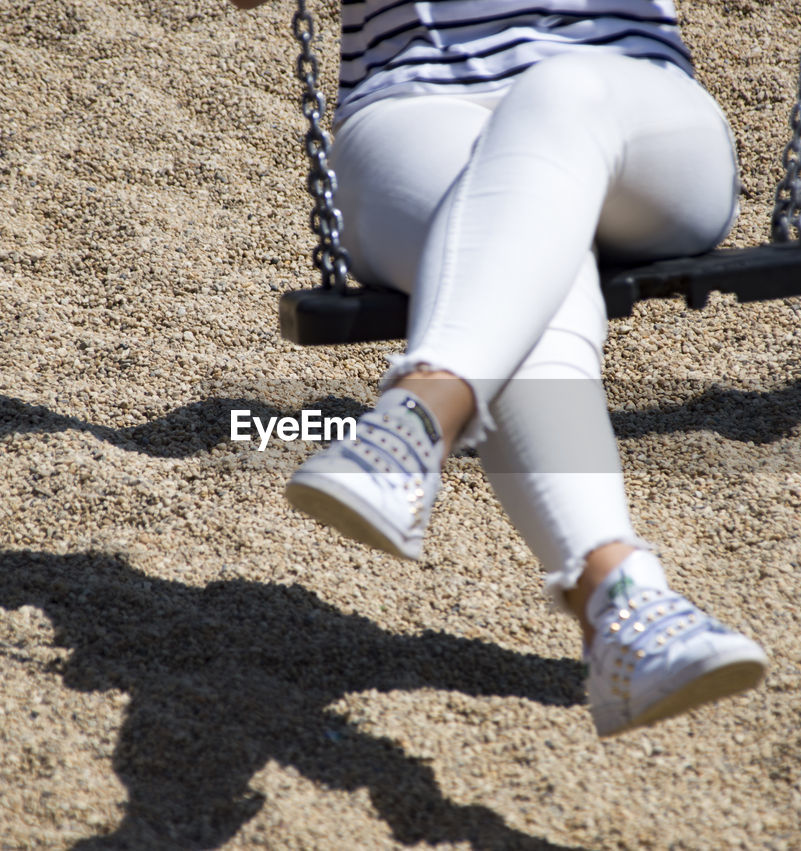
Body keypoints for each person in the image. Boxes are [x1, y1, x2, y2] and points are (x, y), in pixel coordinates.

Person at [231, 0, 768, 736]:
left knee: (561, 91)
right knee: (518, 257)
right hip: (416, 107)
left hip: (634, 108)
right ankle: (621, 600)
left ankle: (421, 414)